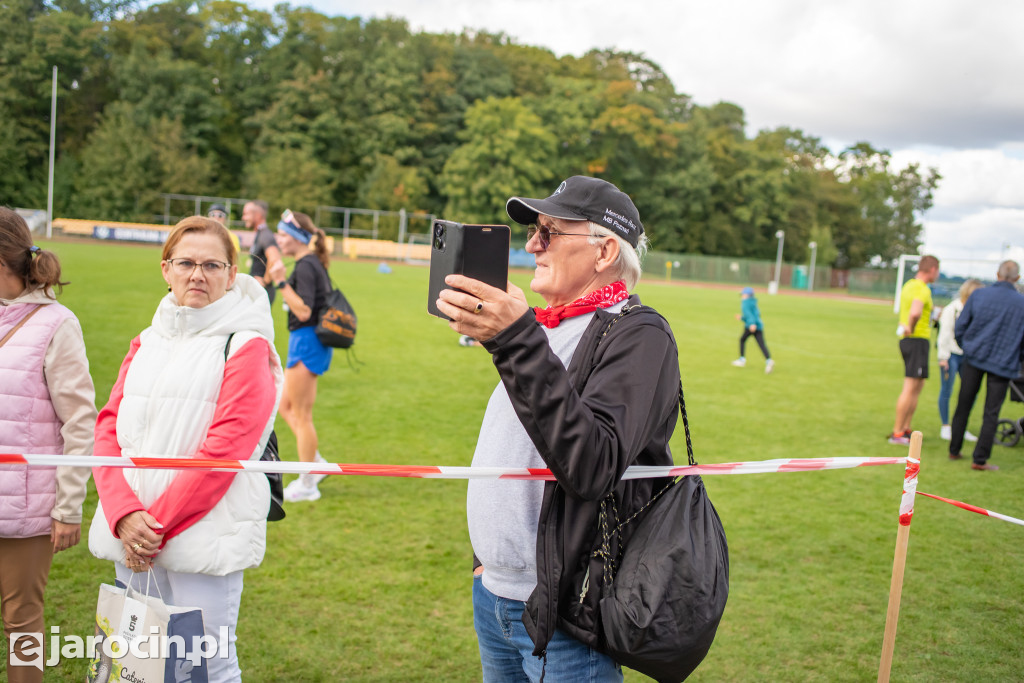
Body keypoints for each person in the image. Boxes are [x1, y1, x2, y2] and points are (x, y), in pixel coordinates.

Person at [436, 176, 681, 682]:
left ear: (604, 250)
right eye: (533, 231)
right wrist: (488, 563)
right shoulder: (546, 326)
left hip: (562, 609)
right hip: (494, 594)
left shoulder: (638, 332)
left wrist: (516, 338)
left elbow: (591, 465)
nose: (531, 244)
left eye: (549, 232)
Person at [88, 216, 283, 682]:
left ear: (232, 274)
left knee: (208, 665)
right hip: (131, 533)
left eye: (212, 264)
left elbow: (225, 450)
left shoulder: (246, 345)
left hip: (200, 536)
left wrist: (151, 529)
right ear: (165, 269)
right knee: (138, 665)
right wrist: (123, 514)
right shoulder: (146, 339)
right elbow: (108, 429)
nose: (198, 274)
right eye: (186, 263)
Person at [0, 208, 97, 682]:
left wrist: (67, 507)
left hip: (23, 511)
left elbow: (80, 421)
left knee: (21, 624)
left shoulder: (57, 324)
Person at [267, 210, 333, 503]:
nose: (278, 239)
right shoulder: (309, 262)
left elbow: (304, 311)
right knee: (285, 405)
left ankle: (308, 482)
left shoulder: (306, 265)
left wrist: (282, 283)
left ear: (296, 236)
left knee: (302, 414)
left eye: (282, 234)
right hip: (303, 341)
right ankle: (315, 463)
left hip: (308, 342)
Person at [948, 260, 1024, 471]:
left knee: (964, 404)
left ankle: (954, 450)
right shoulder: (1020, 302)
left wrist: (968, 348)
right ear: (1017, 278)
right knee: (991, 412)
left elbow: (960, 325)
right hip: (1001, 363)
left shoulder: (979, 295)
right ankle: (979, 459)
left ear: (997, 274)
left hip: (975, 358)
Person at [889, 255, 940, 445]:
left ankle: (905, 428)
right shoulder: (922, 289)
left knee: (917, 387)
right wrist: (911, 324)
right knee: (910, 387)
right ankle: (897, 432)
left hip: (910, 341)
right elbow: (916, 311)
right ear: (933, 269)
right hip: (916, 340)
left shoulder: (908, 285)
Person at [936, 279, 983, 441]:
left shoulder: (978, 310)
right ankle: (946, 426)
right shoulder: (952, 309)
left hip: (968, 355)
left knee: (970, 392)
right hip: (951, 355)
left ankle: (960, 426)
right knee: (947, 390)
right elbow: (944, 333)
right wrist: (943, 357)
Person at [242, 200, 282, 304]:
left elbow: (275, 259)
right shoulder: (261, 233)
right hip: (258, 291)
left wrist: (265, 281)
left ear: (258, 215)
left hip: (263, 292)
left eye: (246, 214)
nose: (243, 218)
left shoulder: (265, 235)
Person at [731, 286, 774, 373]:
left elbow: (749, 315)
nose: (742, 296)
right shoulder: (753, 302)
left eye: (743, 294)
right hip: (759, 326)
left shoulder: (745, 303)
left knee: (742, 340)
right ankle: (769, 361)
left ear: (747, 295)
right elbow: (754, 314)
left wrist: (752, 324)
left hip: (751, 327)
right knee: (761, 344)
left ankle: (742, 360)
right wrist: (742, 318)